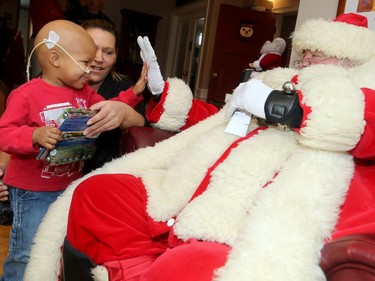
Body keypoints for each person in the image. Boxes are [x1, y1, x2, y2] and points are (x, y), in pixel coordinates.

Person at [25, 12, 375, 281]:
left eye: (320, 54)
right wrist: (166, 93)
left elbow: (356, 124)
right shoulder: (273, 82)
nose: (306, 60)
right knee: (99, 192)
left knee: (191, 266)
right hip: (187, 192)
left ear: (350, 63)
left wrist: (283, 107)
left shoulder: (357, 101)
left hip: (238, 223)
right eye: (306, 52)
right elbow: (215, 119)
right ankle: (133, 270)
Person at [0, 19, 145, 281]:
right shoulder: (25, 94)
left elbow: (107, 107)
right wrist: (33, 134)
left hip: (69, 186)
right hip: (33, 191)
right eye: (85, 62)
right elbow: (4, 133)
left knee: (54, 249)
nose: (91, 69)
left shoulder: (84, 92)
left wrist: (132, 95)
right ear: (55, 58)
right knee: (28, 251)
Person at [80, 19, 146, 174]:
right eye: (92, 48)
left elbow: (145, 127)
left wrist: (124, 112)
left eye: (108, 52)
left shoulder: (124, 85)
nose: (99, 58)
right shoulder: (51, 79)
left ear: (116, 55)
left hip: (101, 175)